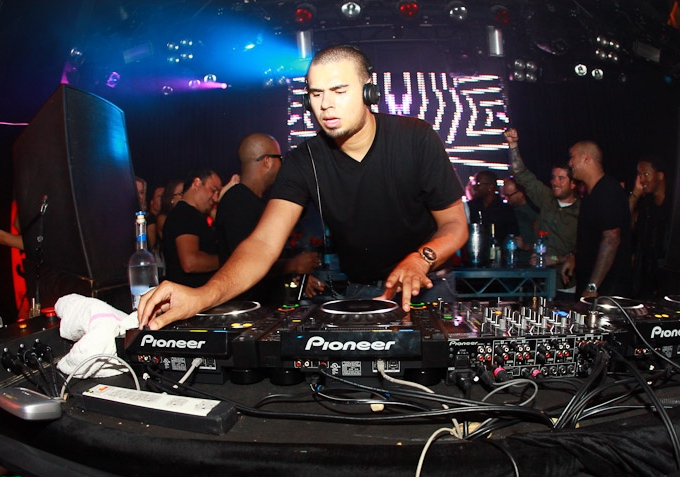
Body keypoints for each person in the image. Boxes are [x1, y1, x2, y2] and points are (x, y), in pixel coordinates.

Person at [139, 45, 468, 328]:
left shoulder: (415, 138)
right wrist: (202, 296)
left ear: (369, 90)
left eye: (339, 91)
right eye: (316, 93)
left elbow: (454, 224)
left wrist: (421, 258)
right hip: (363, 292)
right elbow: (262, 244)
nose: (325, 105)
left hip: (428, 286)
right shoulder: (303, 161)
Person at [215, 133, 320, 304]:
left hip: (262, 305)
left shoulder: (256, 202)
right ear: (267, 161)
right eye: (280, 158)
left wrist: (294, 273)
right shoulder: (237, 201)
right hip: (247, 307)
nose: (282, 164)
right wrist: (294, 264)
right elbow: (245, 263)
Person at [505, 127, 580, 299]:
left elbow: (586, 249)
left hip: (565, 285)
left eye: (561, 178)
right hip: (538, 282)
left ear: (573, 184)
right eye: (553, 177)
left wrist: (555, 259)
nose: (555, 182)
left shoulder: (582, 211)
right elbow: (522, 175)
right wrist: (513, 145)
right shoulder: (547, 198)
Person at [564, 141, 632, 298]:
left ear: (586, 158)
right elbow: (590, 237)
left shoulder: (608, 191)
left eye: (572, 157)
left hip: (606, 291)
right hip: (592, 286)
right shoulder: (591, 193)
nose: (570, 163)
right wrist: (574, 256)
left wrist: (593, 286)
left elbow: (611, 239)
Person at [161, 169, 222, 287]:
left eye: (218, 194)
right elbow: (190, 262)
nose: (215, 198)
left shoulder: (192, 214)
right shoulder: (184, 214)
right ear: (197, 183)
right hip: (189, 293)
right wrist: (227, 259)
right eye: (213, 190)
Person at [629, 156, 672, 298]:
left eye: (646, 174)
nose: (642, 179)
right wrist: (635, 194)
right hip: (645, 280)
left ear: (660, 176)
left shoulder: (675, 205)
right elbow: (623, 223)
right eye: (639, 175)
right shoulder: (646, 205)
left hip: (667, 281)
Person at [464, 170, 518, 256]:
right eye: (474, 184)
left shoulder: (505, 210)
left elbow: (512, 236)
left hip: (498, 256)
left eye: (478, 184)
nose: (474, 187)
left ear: (490, 187)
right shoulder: (470, 207)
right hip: (472, 254)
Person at [501, 177, 539, 265]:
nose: (506, 199)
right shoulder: (506, 211)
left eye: (509, 195)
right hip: (508, 262)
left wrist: (526, 246)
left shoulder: (534, 213)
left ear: (520, 194)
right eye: (504, 195)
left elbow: (544, 244)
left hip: (528, 263)